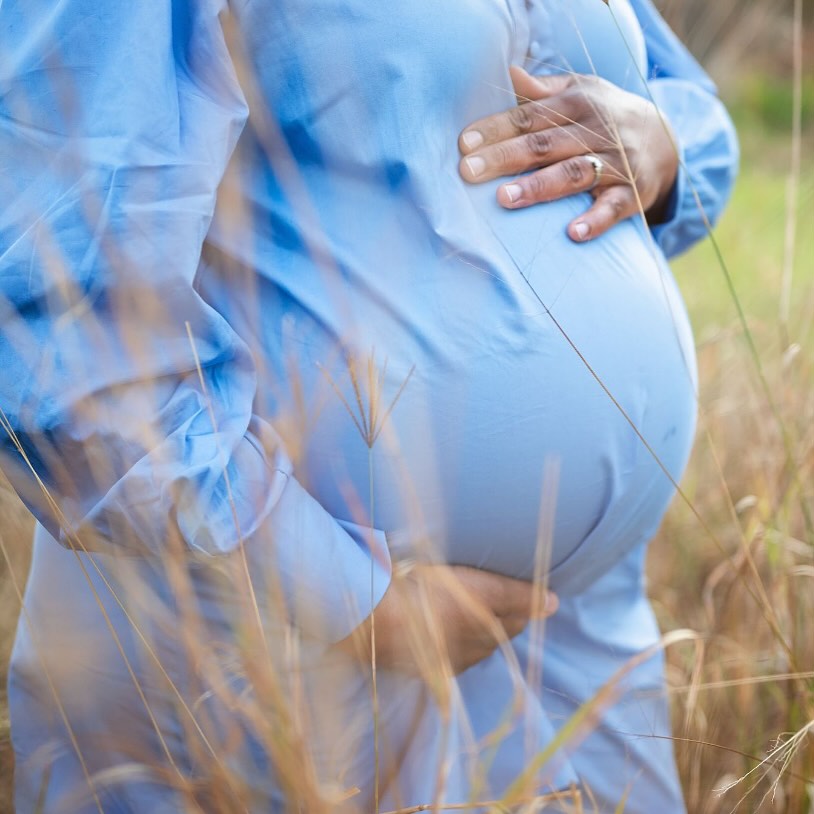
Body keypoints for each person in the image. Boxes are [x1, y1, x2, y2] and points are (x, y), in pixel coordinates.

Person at [0, 0, 738, 811]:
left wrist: (664, 146)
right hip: (281, 623)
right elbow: (57, 307)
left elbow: (685, 101)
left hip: (575, 634)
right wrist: (353, 604)